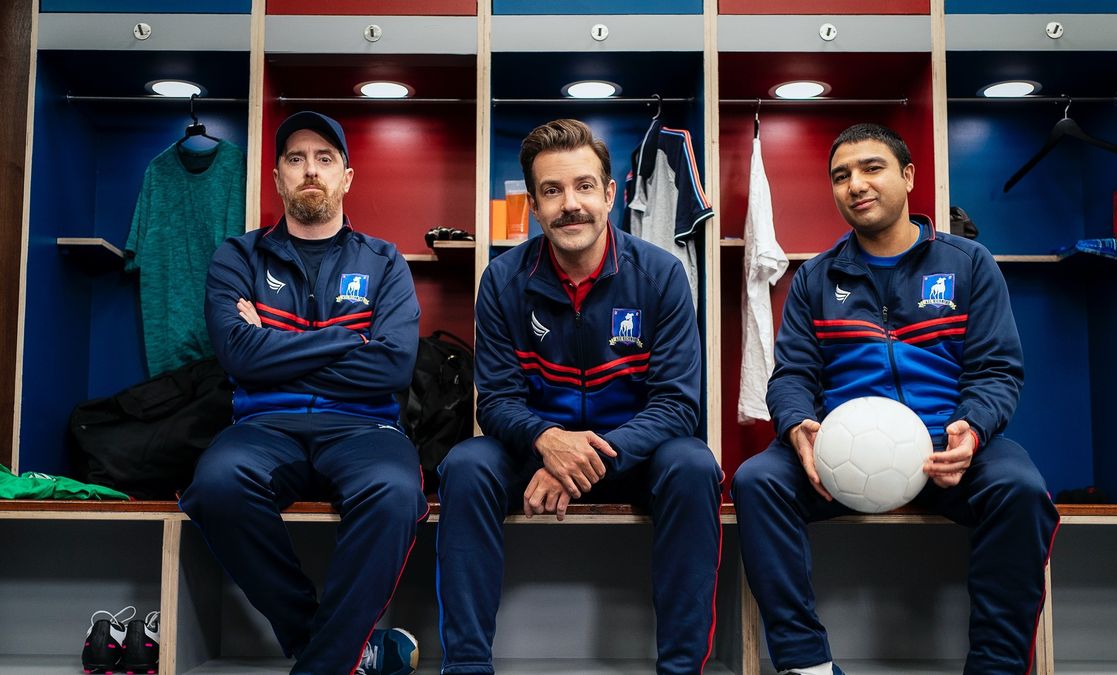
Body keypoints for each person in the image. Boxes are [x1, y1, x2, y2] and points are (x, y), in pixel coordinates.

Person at [732, 123, 1060, 675]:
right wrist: (798, 427)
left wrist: (972, 429)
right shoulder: (816, 277)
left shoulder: (968, 263)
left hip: (946, 449)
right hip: (843, 455)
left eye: (871, 168)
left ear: (908, 177)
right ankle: (805, 664)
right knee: (756, 481)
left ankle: (995, 666)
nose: (856, 184)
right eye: (841, 176)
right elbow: (790, 377)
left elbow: (997, 370)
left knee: (1022, 490)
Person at [435, 119, 723, 675]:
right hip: (536, 453)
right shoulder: (501, 280)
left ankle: (684, 669)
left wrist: (582, 458)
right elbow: (494, 400)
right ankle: (466, 667)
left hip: (634, 454)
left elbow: (678, 404)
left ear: (610, 195)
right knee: (466, 465)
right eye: (552, 191)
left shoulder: (661, 275)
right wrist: (548, 442)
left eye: (585, 187)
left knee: (694, 465)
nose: (571, 205)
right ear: (534, 208)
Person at [180, 111, 425, 675]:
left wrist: (274, 346)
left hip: (365, 429)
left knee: (394, 492)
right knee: (216, 485)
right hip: (264, 428)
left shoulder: (384, 261)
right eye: (295, 159)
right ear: (276, 179)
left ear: (347, 177)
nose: (310, 171)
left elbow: (392, 367)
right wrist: (346, 339)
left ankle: (321, 664)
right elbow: (237, 357)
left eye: (324, 159)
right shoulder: (237, 258)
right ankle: (333, 649)